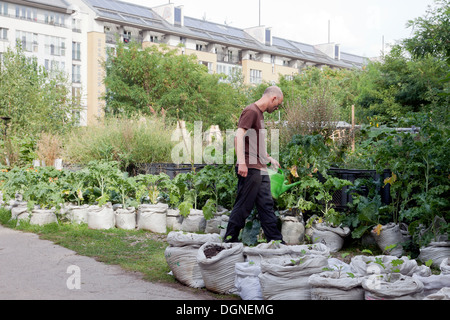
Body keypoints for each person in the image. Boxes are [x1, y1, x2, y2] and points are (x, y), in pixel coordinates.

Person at [224, 86, 285, 243]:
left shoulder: (259, 114)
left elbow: (254, 142)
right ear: (273, 98)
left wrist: (268, 158)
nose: (277, 107)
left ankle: (277, 242)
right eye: (278, 104)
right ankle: (229, 240)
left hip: (260, 168)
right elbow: (239, 135)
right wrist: (242, 162)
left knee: (266, 206)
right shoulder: (251, 111)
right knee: (243, 205)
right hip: (250, 168)